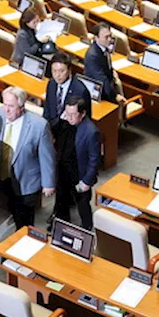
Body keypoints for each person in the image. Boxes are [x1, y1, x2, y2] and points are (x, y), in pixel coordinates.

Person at [0, 87, 56, 230]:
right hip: (3, 176)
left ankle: (25, 237)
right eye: (5, 104)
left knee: (25, 217)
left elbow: (47, 156)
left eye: (11, 106)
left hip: (27, 180)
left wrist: (48, 183)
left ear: (22, 107)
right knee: (12, 205)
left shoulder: (39, 126)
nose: (6, 110)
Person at [53, 97, 101, 229]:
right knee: (62, 201)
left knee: (82, 205)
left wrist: (87, 181)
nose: (69, 118)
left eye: (73, 115)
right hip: (64, 172)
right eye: (67, 114)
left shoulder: (91, 132)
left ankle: (87, 228)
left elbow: (94, 160)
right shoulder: (65, 122)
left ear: (83, 113)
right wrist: (61, 120)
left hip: (80, 176)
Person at [43, 54, 90, 127]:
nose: (57, 75)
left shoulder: (80, 90)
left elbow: (84, 121)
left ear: (69, 70)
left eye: (61, 71)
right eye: (54, 71)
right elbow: (47, 110)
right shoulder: (51, 83)